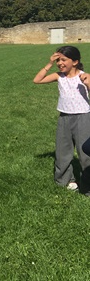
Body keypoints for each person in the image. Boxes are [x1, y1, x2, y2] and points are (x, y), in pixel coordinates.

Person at [33, 46, 90, 192]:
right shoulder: (59, 76)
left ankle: (87, 185)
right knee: (62, 151)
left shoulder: (84, 76)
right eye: (58, 60)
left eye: (64, 60)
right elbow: (37, 80)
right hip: (64, 117)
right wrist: (49, 64)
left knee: (85, 155)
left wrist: (88, 83)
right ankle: (64, 180)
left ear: (75, 61)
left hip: (83, 117)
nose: (60, 63)